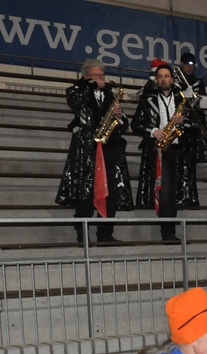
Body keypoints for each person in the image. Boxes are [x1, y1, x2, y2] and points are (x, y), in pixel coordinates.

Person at [56, 58, 133, 244]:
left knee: (110, 194)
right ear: (86, 76)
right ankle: (82, 236)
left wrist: (119, 116)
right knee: (86, 194)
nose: (100, 78)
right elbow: (76, 103)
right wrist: (91, 86)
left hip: (109, 150)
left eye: (101, 75)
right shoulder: (76, 90)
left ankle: (105, 234)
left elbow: (124, 124)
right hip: (87, 151)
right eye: (95, 75)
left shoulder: (109, 95)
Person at [130, 63, 188, 242]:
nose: (163, 79)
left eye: (166, 76)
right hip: (158, 150)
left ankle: (170, 230)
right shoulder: (147, 99)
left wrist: (183, 121)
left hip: (178, 150)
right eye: (160, 76)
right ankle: (168, 232)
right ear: (156, 80)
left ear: (172, 79)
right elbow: (135, 125)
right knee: (165, 192)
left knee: (174, 192)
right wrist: (153, 131)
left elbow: (194, 126)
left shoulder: (181, 99)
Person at [177, 52, 207, 209]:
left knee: (191, 160)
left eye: (192, 65)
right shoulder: (177, 80)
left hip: (195, 122)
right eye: (187, 64)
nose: (189, 67)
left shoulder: (198, 82)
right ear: (182, 64)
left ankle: (191, 194)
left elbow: (203, 102)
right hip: (181, 122)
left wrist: (199, 100)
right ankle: (182, 194)